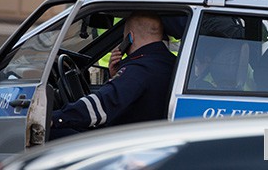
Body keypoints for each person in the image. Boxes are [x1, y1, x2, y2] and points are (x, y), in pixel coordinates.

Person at [50, 11, 176, 139]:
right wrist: (115, 76)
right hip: (141, 136)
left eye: (123, 37)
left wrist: (56, 118)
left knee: (51, 134)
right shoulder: (168, 61)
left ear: (129, 37)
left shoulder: (139, 68)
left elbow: (103, 104)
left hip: (123, 143)